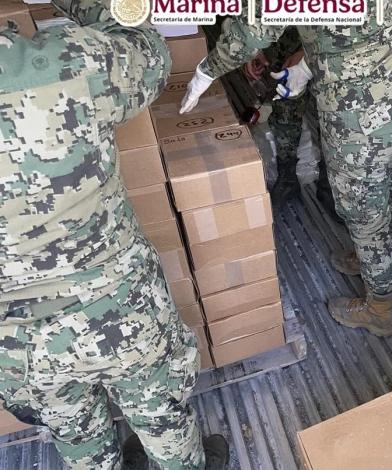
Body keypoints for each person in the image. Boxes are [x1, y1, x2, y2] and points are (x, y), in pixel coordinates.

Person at [0, 1, 228, 468]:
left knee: (76, 435)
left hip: (15, 345)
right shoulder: (55, 63)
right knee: (161, 415)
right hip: (116, 311)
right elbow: (149, 52)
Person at [181, 1, 392, 337]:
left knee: (362, 212)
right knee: (384, 186)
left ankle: (379, 309)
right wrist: (309, 64)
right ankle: (369, 258)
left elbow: (253, 28)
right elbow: (352, 25)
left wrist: (207, 70)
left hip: (364, 114)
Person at [242, 27, 339, 218]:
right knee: (284, 109)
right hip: (287, 36)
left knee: (333, 114)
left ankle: (331, 186)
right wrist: (252, 44)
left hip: (334, 40)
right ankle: (287, 178)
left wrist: (308, 52)